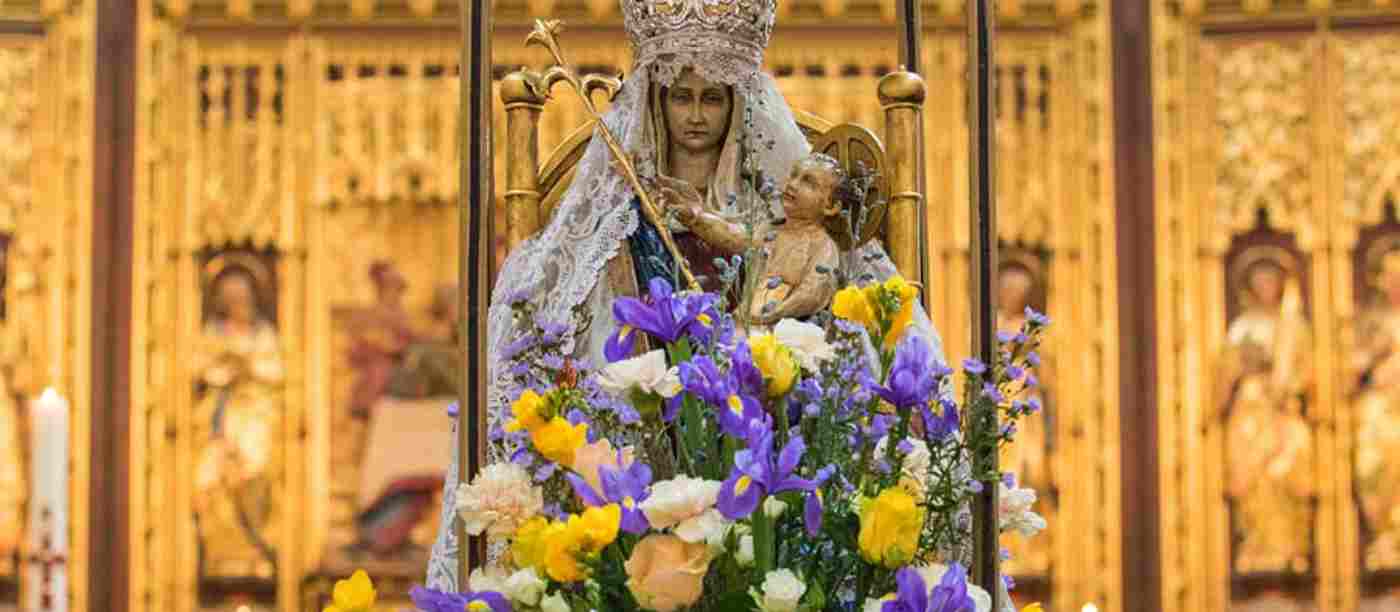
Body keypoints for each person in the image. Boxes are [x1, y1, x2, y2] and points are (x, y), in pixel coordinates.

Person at [427, 0, 951, 592]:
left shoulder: (783, 226)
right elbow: (550, 344)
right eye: (682, 96)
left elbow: (841, 336)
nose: (696, 116)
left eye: (713, 98)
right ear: (656, 100)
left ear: (738, 106)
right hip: (629, 485)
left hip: (761, 477)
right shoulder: (611, 229)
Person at [1215, 255, 1314, 576]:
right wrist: (1244, 367)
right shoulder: (1242, 327)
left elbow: (1311, 374)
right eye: (1260, 281)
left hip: (1282, 411)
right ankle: (1257, 544)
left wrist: (1288, 381)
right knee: (1254, 476)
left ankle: (1289, 547)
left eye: (1271, 280)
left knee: (1283, 472)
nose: (1266, 287)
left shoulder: (1293, 325)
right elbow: (1224, 376)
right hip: (1251, 409)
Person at [674, 152, 848, 325]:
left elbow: (812, 293)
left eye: (808, 182)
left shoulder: (823, 246)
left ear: (831, 207)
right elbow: (730, 235)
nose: (793, 184)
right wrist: (693, 217)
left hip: (783, 334)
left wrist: (773, 314)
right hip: (743, 321)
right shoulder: (770, 230)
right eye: (794, 175)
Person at [192, 270, 285, 578]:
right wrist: (225, 369)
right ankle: (223, 553)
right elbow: (199, 368)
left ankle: (255, 546)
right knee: (216, 480)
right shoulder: (213, 332)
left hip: (256, 418)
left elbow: (276, 371)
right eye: (232, 300)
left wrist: (248, 367)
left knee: (253, 474)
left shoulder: (263, 333)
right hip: (220, 418)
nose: (239, 305)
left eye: (243, 298)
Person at [1351, 250, 1400, 571]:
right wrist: (1373, 354)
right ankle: (1385, 536)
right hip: (1380, 412)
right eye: (1391, 274)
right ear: (1380, 280)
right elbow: (1347, 373)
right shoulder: (1370, 322)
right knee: (1375, 468)